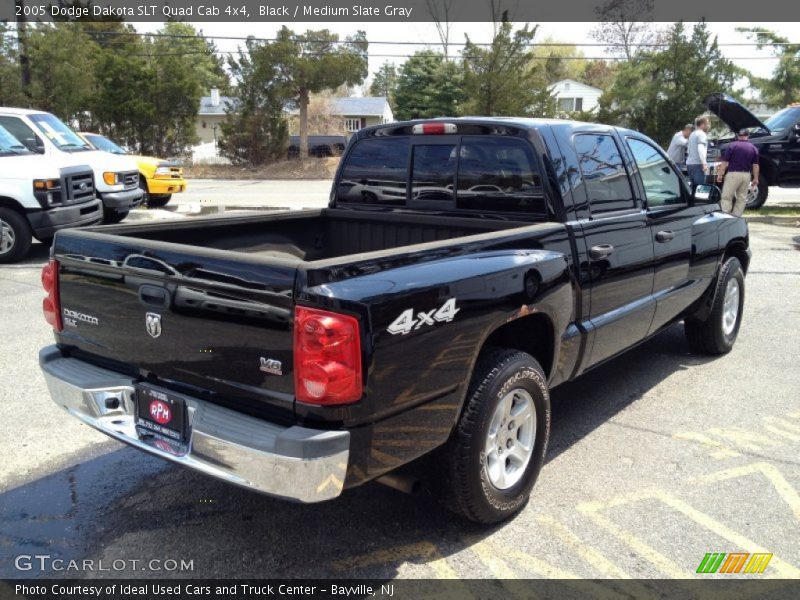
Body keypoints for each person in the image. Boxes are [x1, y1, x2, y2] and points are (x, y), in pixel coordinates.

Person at [715, 129, 760, 217]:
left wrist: (720, 174)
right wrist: (756, 178)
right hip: (746, 175)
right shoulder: (753, 148)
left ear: (738, 136)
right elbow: (755, 165)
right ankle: (737, 217)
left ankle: (726, 216)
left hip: (733, 174)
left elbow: (725, 162)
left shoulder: (733, 146)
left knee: (727, 197)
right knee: (742, 198)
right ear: (748, 136)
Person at [686, 116, 711, 190]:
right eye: (708, 124)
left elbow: (688, 150)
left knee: (693, 189)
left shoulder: (692, 134)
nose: (708, 126)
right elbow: (700, 148)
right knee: (701, 189)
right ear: (703, 124)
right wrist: (704, 163)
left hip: (690, 165)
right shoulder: (701, 134)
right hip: (698, 165)